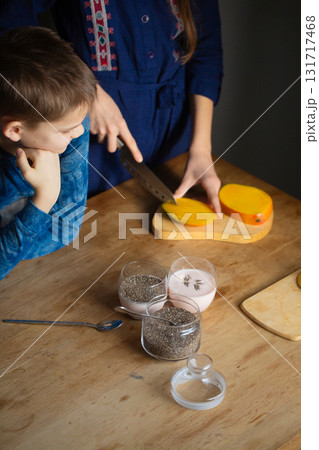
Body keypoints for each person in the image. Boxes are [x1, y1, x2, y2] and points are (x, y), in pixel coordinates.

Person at [0, 0, 223, 211]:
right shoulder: (71, 131)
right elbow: (13, 24)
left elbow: (207, 53)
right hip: (93, 133)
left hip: (176, 131)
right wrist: (90, 93)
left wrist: (202, 149)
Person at [0, 26, 97, 280]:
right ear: (15, 129)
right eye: (65, 130)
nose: (78, 133)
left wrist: (11, 245)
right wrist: (45, 197)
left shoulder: (72, 125)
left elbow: (66, 231)